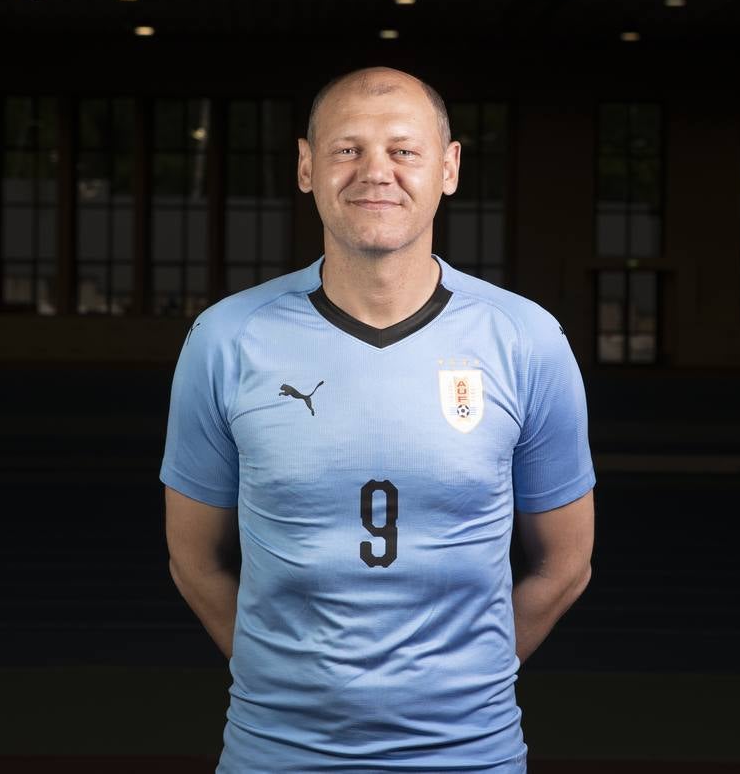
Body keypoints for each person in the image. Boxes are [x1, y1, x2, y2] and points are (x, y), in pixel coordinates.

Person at [160, 66, 595, 773]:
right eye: (346, 149)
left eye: (403, 149)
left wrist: (465, 692)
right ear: (306, 166)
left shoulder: (526, 339)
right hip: (274, 756)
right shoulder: (226, 337)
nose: (375, 172)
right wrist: (283, 689)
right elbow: (193, 559)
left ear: (448, 168)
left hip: (471, 756)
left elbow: (566, 565)